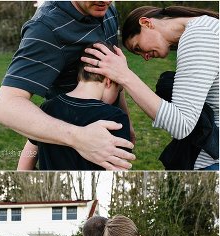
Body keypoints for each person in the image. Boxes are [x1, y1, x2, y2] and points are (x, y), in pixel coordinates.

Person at [0, 1, 136, 170]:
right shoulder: (46, 28)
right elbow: (5, 107)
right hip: (61, 138)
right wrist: (79, 137)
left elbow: (114, 73)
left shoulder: (107, 10)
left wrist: (126, 120)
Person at [82, 6, 219, 170]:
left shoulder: (199, 34)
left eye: (138, 48)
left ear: (146, 23)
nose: (145, 57)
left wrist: (125, 75)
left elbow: (181, 124)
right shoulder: (205, 29)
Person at [17, 42, 131, 170]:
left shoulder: (46, 110)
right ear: (109, 80)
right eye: (119, 88)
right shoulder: (115, 118)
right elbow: (120, 171)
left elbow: (27, 158)